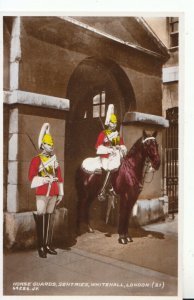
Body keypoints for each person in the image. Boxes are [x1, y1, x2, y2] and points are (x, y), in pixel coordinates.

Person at [28, 123, 64, 258]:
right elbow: (31, 177)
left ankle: (48, 244)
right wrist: (44, 178)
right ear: (43, 145)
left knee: (50, 218)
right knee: (41, 217)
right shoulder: (36, 160)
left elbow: (59, 176)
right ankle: (41, 246)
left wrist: (60, 193)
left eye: (52, 145)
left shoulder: (54, 160)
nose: (51, 147)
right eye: (49, 145)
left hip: (53, 192)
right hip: (42, 191)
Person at [95, 104, 127, 201]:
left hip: (116, 155)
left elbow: (123, 145)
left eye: (116, 123)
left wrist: (120, 147)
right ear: (109, 123)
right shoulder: (103, 134)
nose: (115, 125)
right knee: (111, 166)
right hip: (106, 156)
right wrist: (109, 149)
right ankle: (105, 188)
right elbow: (98, 147)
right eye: (113, 123)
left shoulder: (117, 135)